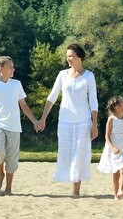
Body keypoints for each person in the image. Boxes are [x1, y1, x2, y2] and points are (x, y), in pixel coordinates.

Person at [37, 43, 99, 197]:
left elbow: (94, 102)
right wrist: (43, 118)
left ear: (80, 57)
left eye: (71, 56)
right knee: (66, 154)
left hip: (83, 121)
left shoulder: (89, 76)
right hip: (64, 121)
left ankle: (75, 190)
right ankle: (71, 184)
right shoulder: (62, 74)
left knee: (79, 155)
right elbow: (52, 96)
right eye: (67, 56)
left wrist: (95, 124)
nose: (68, 59)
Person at [0, 56, 39, 196]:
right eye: (10, 67)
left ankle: (8, 189)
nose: (13, 69)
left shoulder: (17, 84)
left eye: (13, 67)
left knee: (12, 159)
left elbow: (24, 105)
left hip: (15, 127)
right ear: (1, 68)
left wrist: (35, 121)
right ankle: (0, 174)